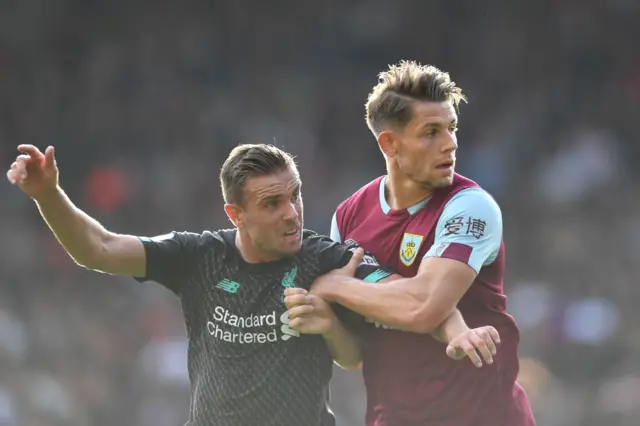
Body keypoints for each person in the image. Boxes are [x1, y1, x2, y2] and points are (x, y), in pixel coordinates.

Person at [6, 143, 499, 426]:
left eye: (295, 196)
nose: (292, 213)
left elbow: (410, 291)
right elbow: (100, 249)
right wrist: (48, 195)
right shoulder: (199, 256)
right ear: (235, 214)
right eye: (271, 204)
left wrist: (456, 331)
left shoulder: (323, 259)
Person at [288, 61, 537, 426]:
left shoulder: (469, 206)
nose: (450, 144)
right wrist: (329, 324)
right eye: (431, 132)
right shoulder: (348, 216)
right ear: (389, 143)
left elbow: (425, 307)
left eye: (451, 128)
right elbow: (355, 355)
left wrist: (335, 285)